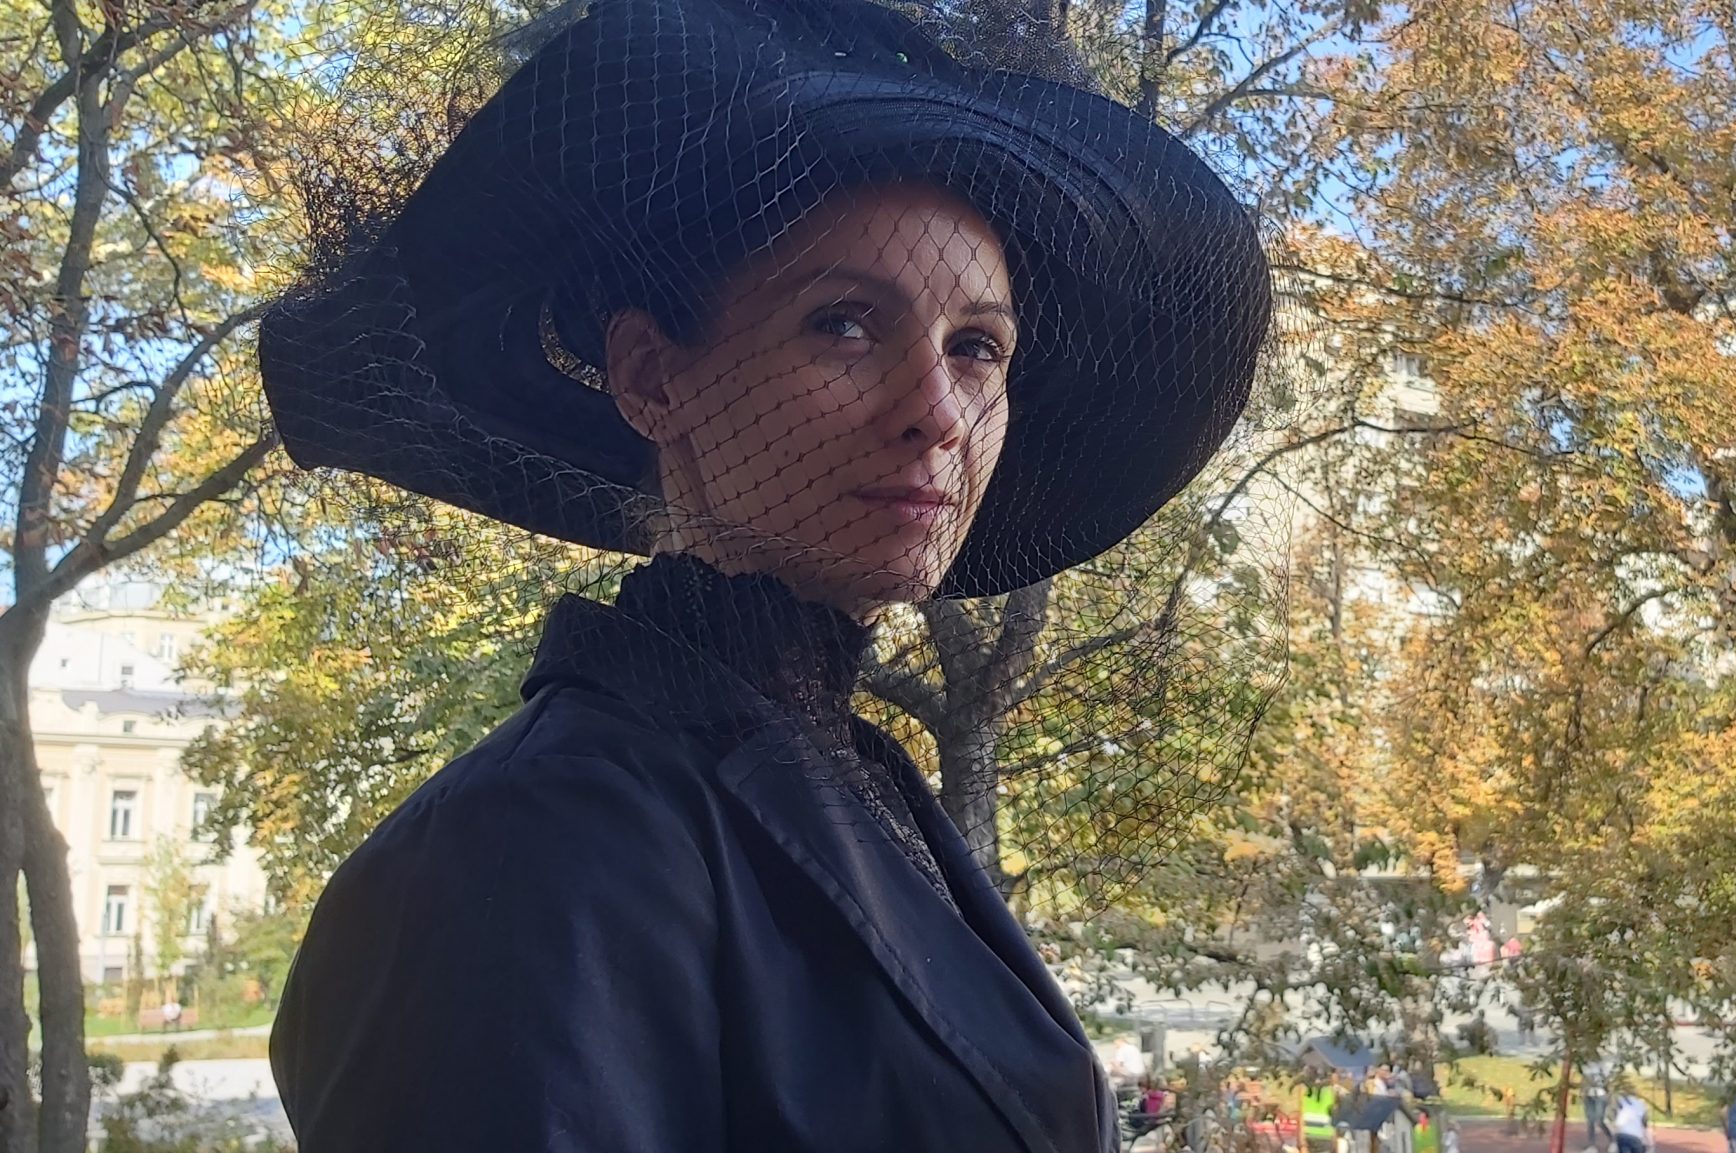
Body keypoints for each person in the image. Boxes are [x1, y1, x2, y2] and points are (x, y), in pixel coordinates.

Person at [251, 0, 1270, 1147]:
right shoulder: (524, 843)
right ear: (652, 377)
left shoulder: (857, 779)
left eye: (975, 346)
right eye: (845, 324)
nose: (937, 412)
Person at [1582, 1060, 1613, 1153]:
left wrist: (1609, 1096)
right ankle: (1592, 1146)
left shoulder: (1603, 1065)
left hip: (1601, 1095)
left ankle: (1612, 1140)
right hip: (1589, 1096)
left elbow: (1608, 1082)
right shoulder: (1585, 1065)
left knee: (1599, 1120)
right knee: (1590, 1121)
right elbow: (1584, 1081)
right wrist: (1583, 1092)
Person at [1610, 1085, 1651, 1153]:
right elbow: (1645, 1124)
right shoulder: (1641, 1104)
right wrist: (1649, 1142)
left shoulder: (1621, 1101)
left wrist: (1613, 1141)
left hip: (1622, 1134)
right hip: (1636, 1136)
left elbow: (1614, 1113)